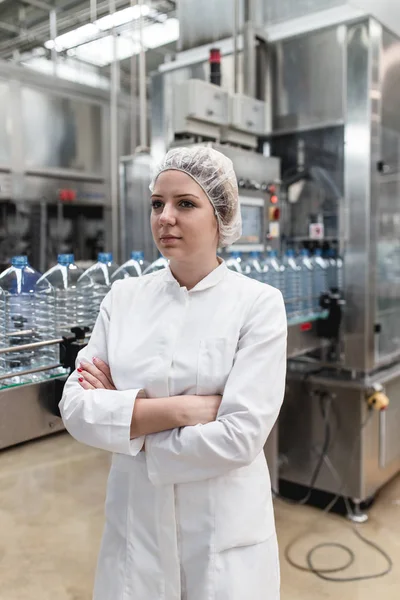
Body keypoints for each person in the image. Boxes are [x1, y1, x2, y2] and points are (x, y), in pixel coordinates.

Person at [60, 145, 287, 600]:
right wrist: (185, 410)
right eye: (157, 204)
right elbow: (77, 407)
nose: (165, 217)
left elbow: (241, 435)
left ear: (221, 218)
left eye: (185, 203)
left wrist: (128, 421)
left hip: (223, 542)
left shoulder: (257, 305)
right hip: (136, 535)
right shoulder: (123, 299)